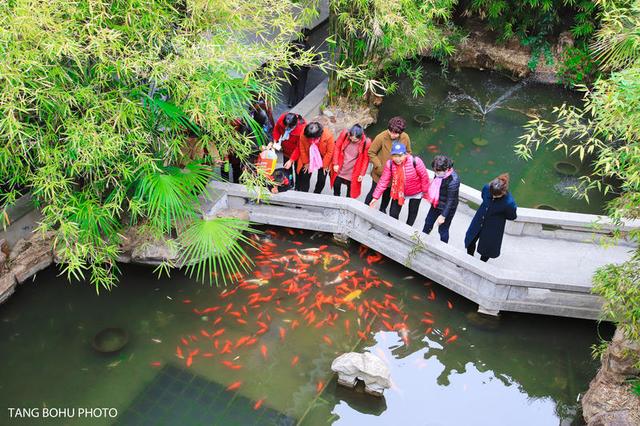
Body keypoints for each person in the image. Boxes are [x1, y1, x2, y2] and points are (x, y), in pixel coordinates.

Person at [369, 143, 429, 226]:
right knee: (393, 213)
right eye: (394, 156)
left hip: (416, 191)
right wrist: (375, 197)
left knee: (412, 212)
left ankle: (407, 229)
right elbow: (383, 180)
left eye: (400, 156)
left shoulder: (415, 161)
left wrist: (425, 191)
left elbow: (424, 177)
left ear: (405, 154)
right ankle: (394, 229)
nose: (397, 159)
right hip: (399, 191)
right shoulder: (390, 164)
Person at [464, 173, 518, 262]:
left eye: (496, 196)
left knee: (488, 248)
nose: (493, 196)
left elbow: (512, 216)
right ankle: (470, 258)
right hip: (480, 218)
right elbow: (483, 197)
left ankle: (481, 264)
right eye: (492, 194)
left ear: (503, 192)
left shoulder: (509, 203)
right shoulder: (487, 188)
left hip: (494, 225)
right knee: (471, 239)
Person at [364, 117, 412, 213]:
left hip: (395, 174)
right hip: (380, 173)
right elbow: (371, 152)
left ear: (401, 132)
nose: (393, 135)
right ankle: (365, 208)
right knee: (374, 191)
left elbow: (408, 152)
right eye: (391, 132)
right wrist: (379, 166)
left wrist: (403, 164)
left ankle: (383, 209)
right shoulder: (381, 137)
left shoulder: (405, 137)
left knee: (387, 194)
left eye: (396, 133)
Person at [285, 122, 334, 193]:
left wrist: (324, 165)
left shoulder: (328, 136)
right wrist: (306, 162)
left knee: (322, 178)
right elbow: (302, 149)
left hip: (323, 157)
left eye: (313, 139)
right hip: (309, 155)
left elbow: (330, 152)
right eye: (309, 139)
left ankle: (317, 193)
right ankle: (304, 193)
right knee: (305, 175)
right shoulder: (304, 134)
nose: (311, 141)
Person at [423, 155, 460, 243]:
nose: (436, 174)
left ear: (447, 169)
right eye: (435, 171)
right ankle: (422, 239)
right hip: (436, 203)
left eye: (438, 172)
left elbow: (450, 201)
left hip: (447, 208)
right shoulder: (439, 172)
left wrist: (443, 216)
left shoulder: (454, 181)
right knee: (428, 222)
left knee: (443, 230)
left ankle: (444, 247)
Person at [330, 124, 371, 198]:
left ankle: (346, 205)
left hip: (353, 170)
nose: (352, 140)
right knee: (336, 185)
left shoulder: (366, 142)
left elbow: (366, 159)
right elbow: (337, 147)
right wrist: (335, 163)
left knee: (350, 191)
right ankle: (336, 201)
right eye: (351, 138)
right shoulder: (345, 134)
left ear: (361, 137)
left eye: (355, 139)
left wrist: (362, 174)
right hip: (341, 165)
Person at [273, 112, 306, 186]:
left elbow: (299, 147)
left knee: (298, 171)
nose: (286, 128)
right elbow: (277, 129)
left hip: (297, 153)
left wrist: (291, 160)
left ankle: (298, 185)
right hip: (286, 150)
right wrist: (275, 140)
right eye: (285, 126)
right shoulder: (282, 119)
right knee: (287, 169)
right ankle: (290, 183)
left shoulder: (302, 129)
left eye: (288, 127)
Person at [287, 29, 311, 107]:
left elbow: (286, 55)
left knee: (293, 85)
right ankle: (299, 104)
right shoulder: (307, 47)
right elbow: (313, 59)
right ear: (306, 37)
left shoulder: (292, 43)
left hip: (292, 69)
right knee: (301, 87)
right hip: (302, 70)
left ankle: (290, 102)